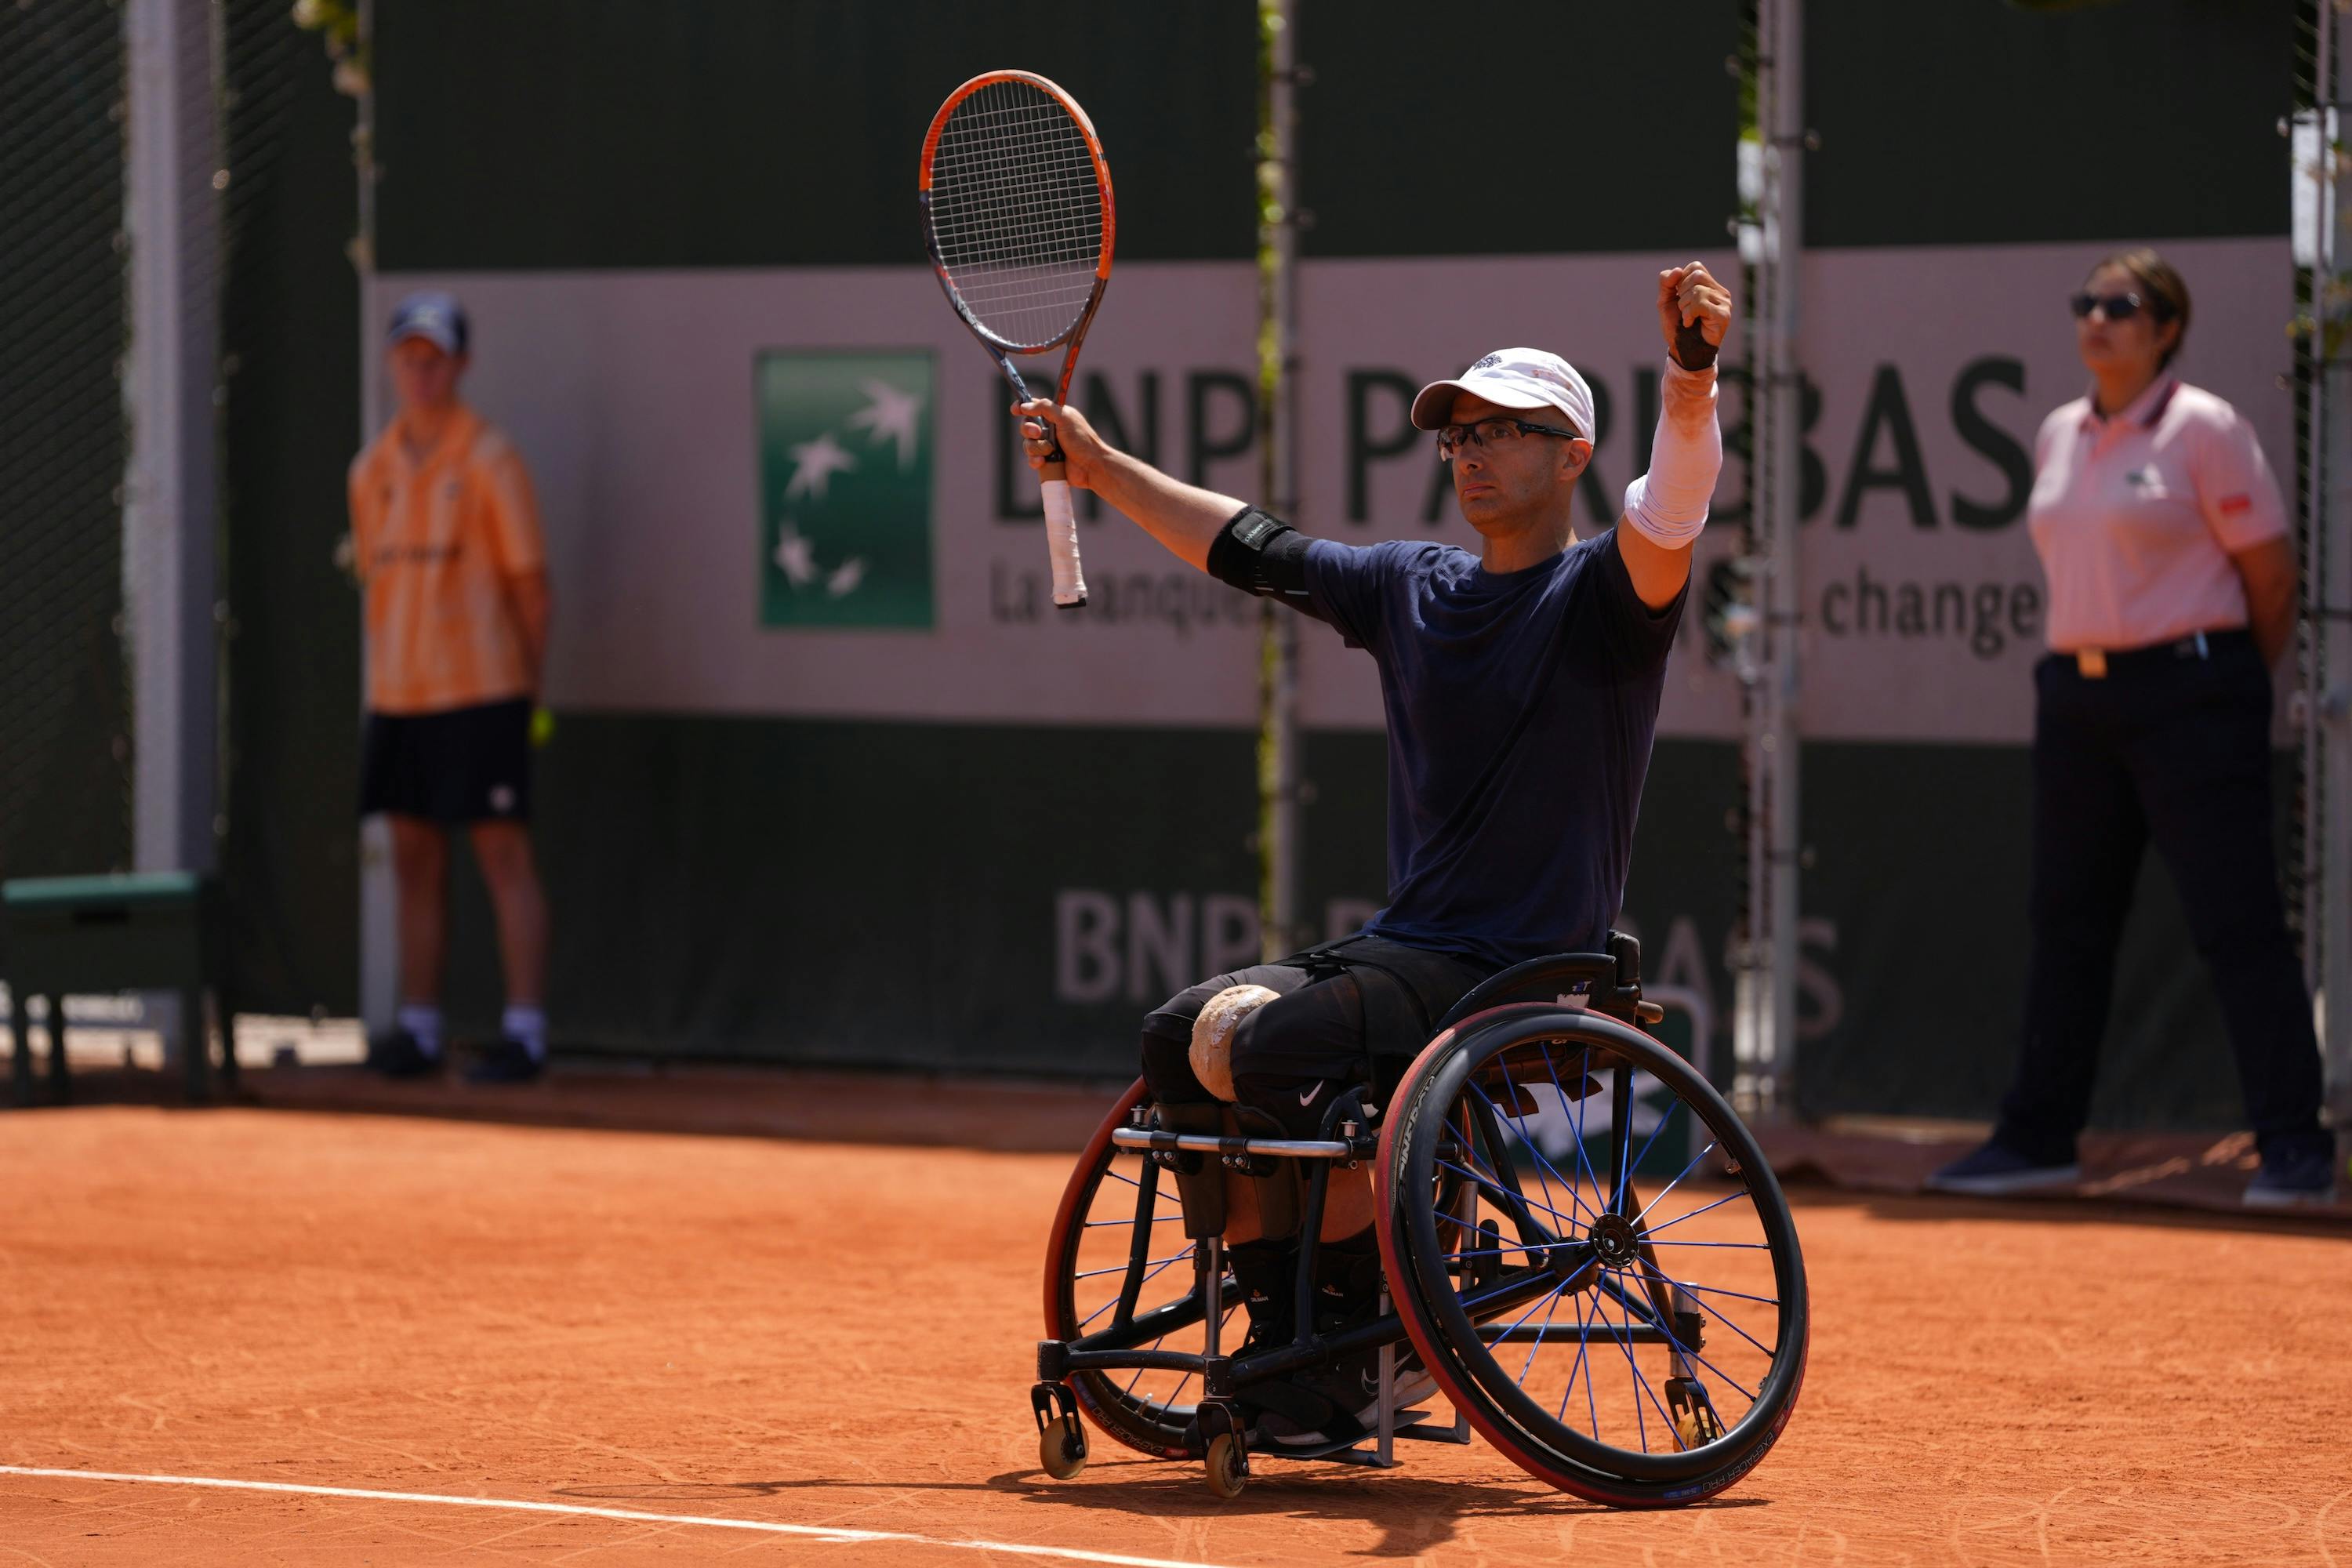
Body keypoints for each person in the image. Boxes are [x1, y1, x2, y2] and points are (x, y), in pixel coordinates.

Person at [1014, 263, 1730, 1443]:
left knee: (1271, 1044)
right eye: (1458, 434)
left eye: (1504, 431)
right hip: (1407, 950)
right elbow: (1249, 545)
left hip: (1523, 962)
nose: (1472, 451)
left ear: (1572, 456)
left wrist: (1691, 380)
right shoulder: (1411, 585)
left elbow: (1675, 511)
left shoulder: (1606, 596)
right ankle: (1293, 1316)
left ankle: (1373, 1341)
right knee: (1180, 1037)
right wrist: (1098, 470)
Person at [1929, 249, 2336, 1207]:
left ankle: (2295, 1149)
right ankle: (2038, 1138)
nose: (2099, 319)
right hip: (2077, 699)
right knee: (2067, 923)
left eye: (2124, 306)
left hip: (2195, 696)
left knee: (2239, 925)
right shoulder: (2058, 432)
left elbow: (2271, 580)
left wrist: (2224, 685)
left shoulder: (2207, 428)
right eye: (2088, 303)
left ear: (2166, 330)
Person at [350, 292, 554, 1084]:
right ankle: (421, 1027)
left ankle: (526, 1032)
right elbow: (376, 581)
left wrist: (527, 698)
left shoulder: (492, 460)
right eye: (409, 355)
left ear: (460, 366)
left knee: (503, 856)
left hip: (486, 692)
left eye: (436, 357)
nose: (421, 370)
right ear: (393, 364)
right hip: (400, 696)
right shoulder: (369, 474)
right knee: (411, 857)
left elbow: (533, 590)